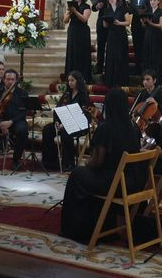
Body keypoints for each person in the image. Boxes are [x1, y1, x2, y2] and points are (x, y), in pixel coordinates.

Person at [60, 88, 143, 243]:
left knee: (77, 175)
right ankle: (104, 224)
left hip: (114, 183)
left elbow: (97, 162)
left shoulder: (106, 127)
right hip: (132, 181)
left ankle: (76, 228)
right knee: (86, 175)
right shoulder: (133, 127)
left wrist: (86, 163)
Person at [41, 71, 90, 171]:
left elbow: (81, 114)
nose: (70, 83)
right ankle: (50, 161)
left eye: (72, 80)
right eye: (68, 81)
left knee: (65, 132)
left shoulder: (83, 95)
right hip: (63, 123)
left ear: (78, 81)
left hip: (79, 124)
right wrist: (57, 122)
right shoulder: (67, 94)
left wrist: (65, 124)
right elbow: (57, 110)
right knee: (47, 130)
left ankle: (68, 163)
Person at [92, 0, 124, 74]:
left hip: (114, 23)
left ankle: (113, 68)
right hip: (102, 22)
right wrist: (98, 6)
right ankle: (99, 67)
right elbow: (94, 8)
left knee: (114, 46)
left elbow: (123, 7)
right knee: (101, 45)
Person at [102, 0, 131, 87]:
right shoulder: (107, 10)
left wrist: (119, 23)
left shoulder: (123, 8)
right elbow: (105, 26)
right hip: (111, 35)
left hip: (121, 35)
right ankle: (111, 80)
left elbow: (128, 22)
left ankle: (121, 80)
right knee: (111, 57)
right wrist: (106, 22)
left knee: (120, 57)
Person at [64, 0, 92, 81]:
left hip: (82, 31)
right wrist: (69, 12)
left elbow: (84, 19)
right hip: (73, 31)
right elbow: (65, 20)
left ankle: (83, 76)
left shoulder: (86, 6)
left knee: (81, 53)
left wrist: (75, 11)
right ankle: (71, 76)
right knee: (72, 52)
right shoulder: (70, 6)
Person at [129, 0, 153, 75]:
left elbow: (152, 8)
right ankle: (138, 69)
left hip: (147, 24)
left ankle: (147, 70)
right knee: (137, 47)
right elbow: (131, 9)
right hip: (136, 24)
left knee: (146, 47)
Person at [141, 0, 162, 80]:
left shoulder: (161, 11)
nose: (152, 2)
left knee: (156, 56)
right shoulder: (147, 11)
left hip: (156, 36)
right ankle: (148, 77)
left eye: (154, 0)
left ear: (158, 1)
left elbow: (161, 25)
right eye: (151, 0)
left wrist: (150, 22)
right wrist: (144, 22)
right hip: (148, 35)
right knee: (148, 55)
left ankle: (157, 77)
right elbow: (144, 26)